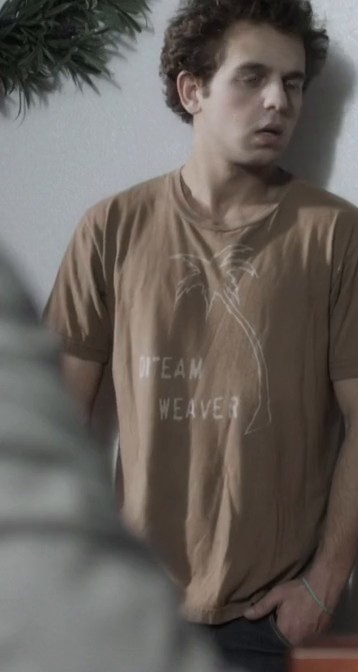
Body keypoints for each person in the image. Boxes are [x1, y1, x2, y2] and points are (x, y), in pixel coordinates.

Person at [42, 0, 358, 672]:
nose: (278, 101)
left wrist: (323, 587)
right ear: (193, 91)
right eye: (252, 77)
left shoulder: (338, 237)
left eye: (293, 83)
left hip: (264, 622)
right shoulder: (112, 229)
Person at [0, 247, 231, 672]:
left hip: (249, 612)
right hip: (133, 602)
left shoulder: (329, 235)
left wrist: (316, 591)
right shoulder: (110, 230)